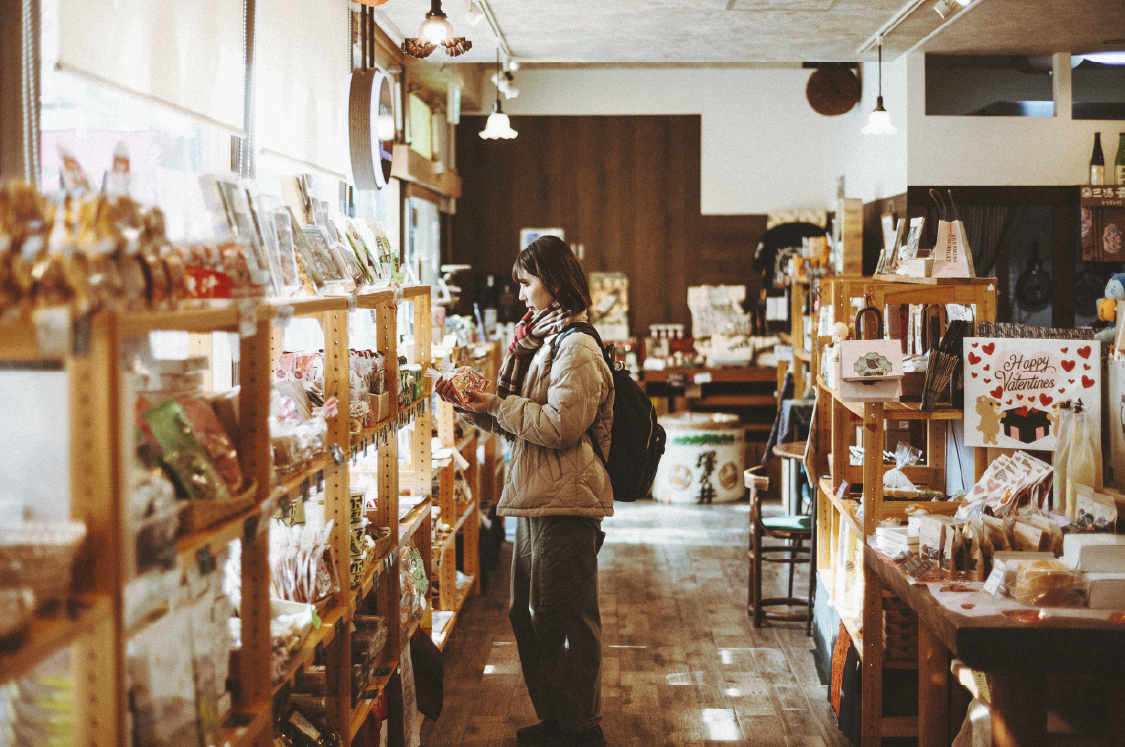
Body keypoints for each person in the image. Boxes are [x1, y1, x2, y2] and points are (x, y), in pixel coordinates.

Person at [436, 236, 614, 747]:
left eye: (527, 283)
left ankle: (577, 726)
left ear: (553, 284)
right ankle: (564, 719)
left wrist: (494, 401)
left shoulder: (577, 344)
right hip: (540, 493)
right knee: (531, 611)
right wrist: (473, 405)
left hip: (568, 499)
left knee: (564, 615)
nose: (521, 295)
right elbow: (522, 424)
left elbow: (559, 427)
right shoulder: (540, 341)